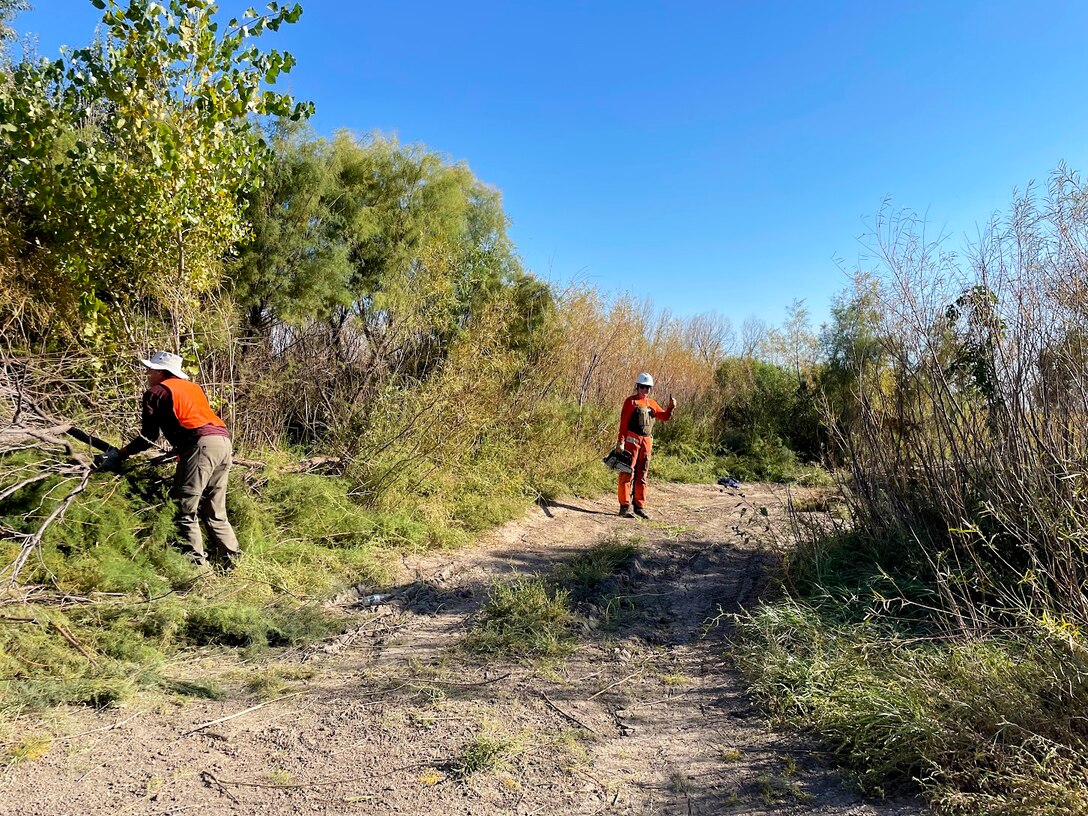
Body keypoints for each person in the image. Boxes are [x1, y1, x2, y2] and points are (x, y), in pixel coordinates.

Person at [97, 351, 240, 568]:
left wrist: (120, 453)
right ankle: (233, 564)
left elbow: (148, 437)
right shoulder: (193, 388)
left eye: (151, 369)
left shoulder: (155, 392)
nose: (147, 372)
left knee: (183, 509)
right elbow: (195, 420)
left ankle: (198, 570)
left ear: (161, 372)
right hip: (223, 442)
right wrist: (181, 448)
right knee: (215, 511)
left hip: (201, 446)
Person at [614, 372, 675, 519]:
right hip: (631, 440)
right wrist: (621, 441)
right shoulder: (630, 402)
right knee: (627, 472)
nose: (645, 390)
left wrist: (671, 407)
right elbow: (624, 422)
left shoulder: (651, 403)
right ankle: (624, 507)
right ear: (637, 387)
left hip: (646, 442)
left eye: (648, 388)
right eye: (642, 387)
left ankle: (639, 506)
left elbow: (664, 417)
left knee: (642, 474)